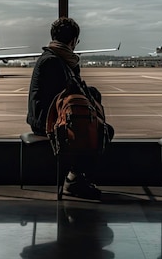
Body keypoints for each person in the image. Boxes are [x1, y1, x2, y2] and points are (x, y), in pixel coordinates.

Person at [27, 17, 106, 200]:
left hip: (48, 116)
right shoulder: (54, 62)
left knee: (90, 122)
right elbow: (66, 95)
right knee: (97, 130)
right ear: (73, 41)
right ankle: (75, 179)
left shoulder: (54, 58)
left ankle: (77, 177)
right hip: (44, 121)